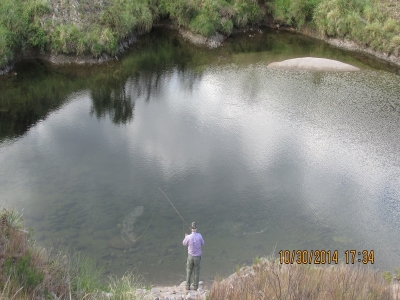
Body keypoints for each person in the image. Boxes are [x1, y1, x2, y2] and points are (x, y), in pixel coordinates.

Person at [182, 222, 204, 291]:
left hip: (190, 256)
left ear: (191, 229)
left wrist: (185, 237)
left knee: (189, 271)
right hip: (197, 257)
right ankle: (195, 287)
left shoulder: (188, 237)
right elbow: (203, 243)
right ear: (196, 228)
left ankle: (187, 286)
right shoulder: (199, 236)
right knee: (196, 272)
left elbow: (184, 243)